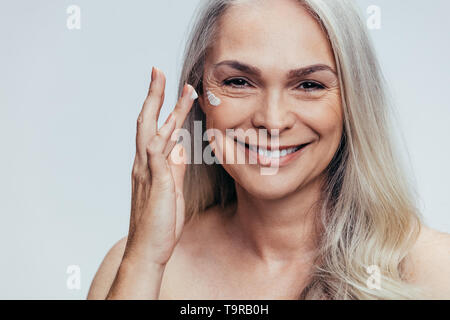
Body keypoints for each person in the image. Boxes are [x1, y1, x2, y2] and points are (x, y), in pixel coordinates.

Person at [87, 0, 450, 299]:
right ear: (197, 95)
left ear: (353, 103)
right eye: (239, 82)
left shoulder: (436, 270)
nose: (272, 121)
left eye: (308, 85)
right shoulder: (135, 265)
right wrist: (144, 262)